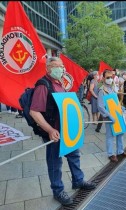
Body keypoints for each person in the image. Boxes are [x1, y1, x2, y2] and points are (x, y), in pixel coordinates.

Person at [29, 57, 96, 206]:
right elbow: (34, 112)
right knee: (54, 162)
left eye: (61, 66)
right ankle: (58, 190)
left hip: (67, 130)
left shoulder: (60, 83)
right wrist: (50, 130)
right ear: (48, 68)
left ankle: (78, 181)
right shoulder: (43, 85)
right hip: (54, 133)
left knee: (74, 155)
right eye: (56, 66)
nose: (60, 69)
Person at [97, 70, 126, 162]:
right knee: (110, 135)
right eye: (107, 77)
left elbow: (115, 101)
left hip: (117, 114)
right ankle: (111, 154)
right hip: (109, 117)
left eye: (111, 77)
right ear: (103, 78)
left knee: (120, 133)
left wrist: (120, 107)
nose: (110, 79)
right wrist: (109, 115)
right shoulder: (101, 90)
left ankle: (120, 151)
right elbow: (100, 106)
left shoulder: (112, 88)